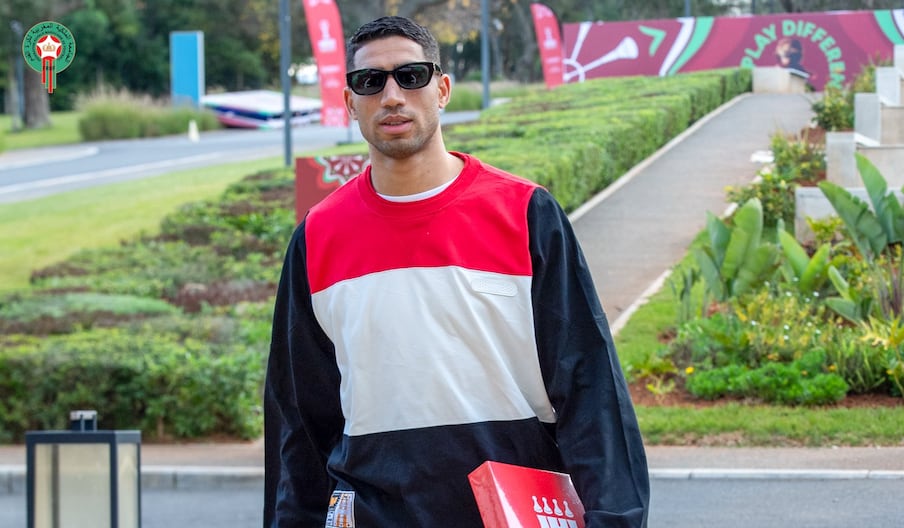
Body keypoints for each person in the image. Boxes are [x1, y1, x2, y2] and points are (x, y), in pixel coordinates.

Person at [264, 15, 649, 528]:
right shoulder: (317, 236)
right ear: (350, 102)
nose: (392, 96)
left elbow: (589, 386)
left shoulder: (525, 213)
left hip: (514, 513)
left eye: (411, 76)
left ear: (442, 89)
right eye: (370, 81)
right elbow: (298, 420)